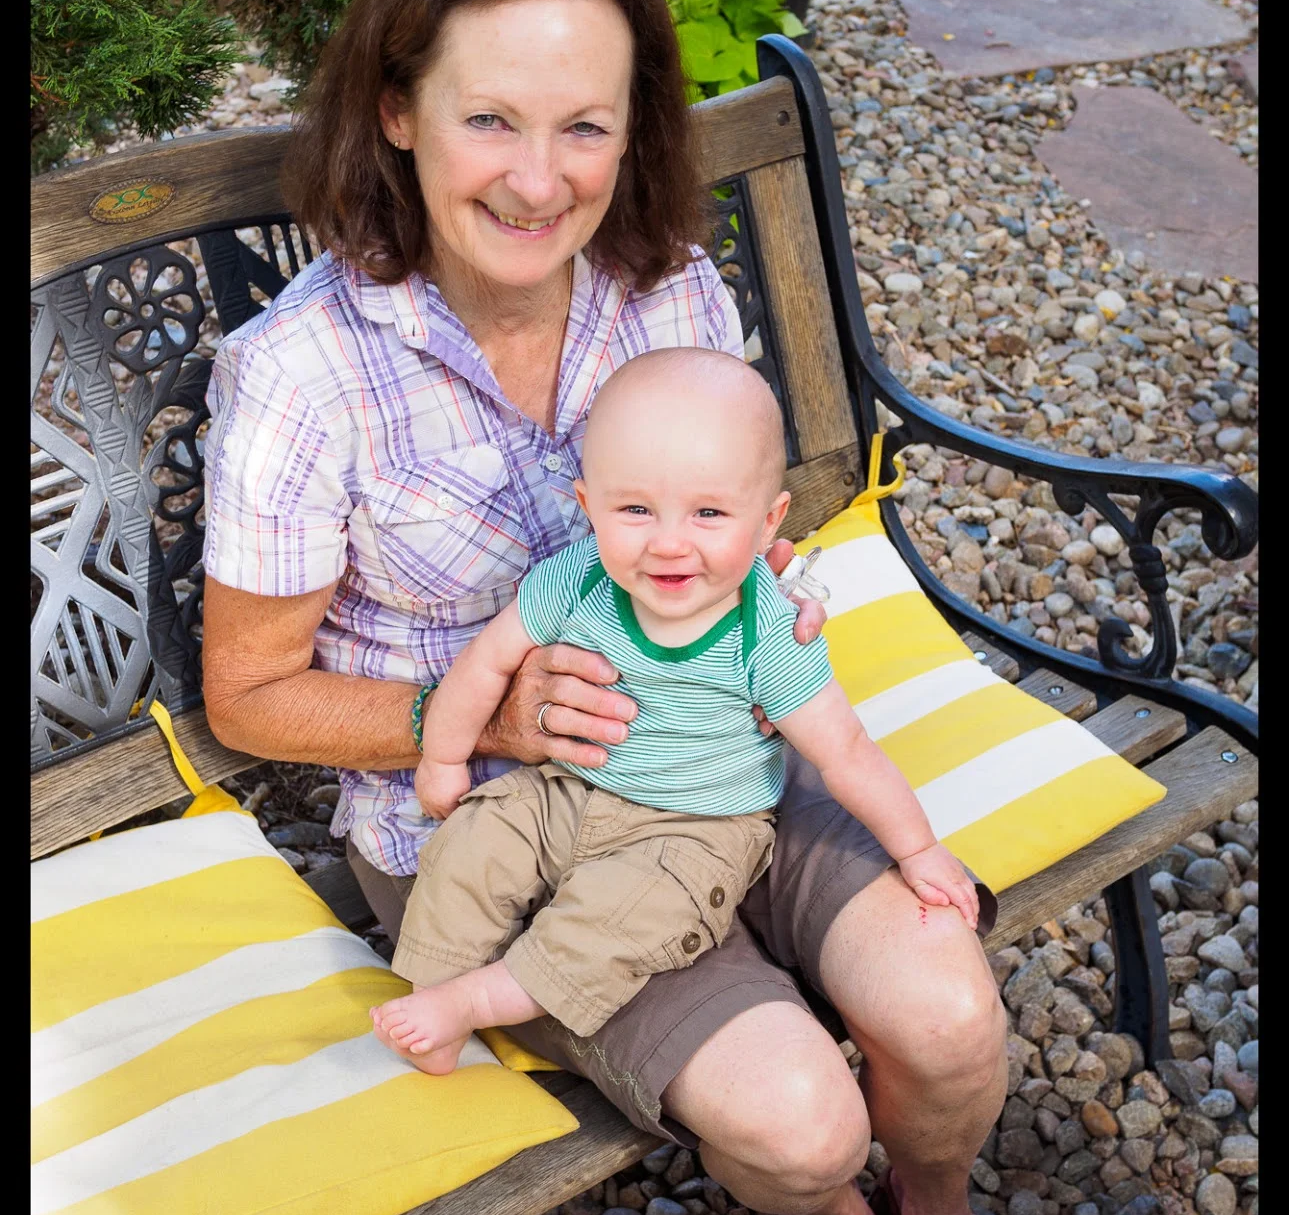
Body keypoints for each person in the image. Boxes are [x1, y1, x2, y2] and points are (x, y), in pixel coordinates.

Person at [202, 0, 1013, 1215]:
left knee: (947, 1022)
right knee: (804, 1125)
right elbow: (249, 696)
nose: (539, 182)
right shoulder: (303, 376)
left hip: (732, 765)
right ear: (397, 112)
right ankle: (823, 1211)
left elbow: (725, 504)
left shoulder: (663, 288)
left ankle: (934, 1208)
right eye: (490, 119)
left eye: (583, 125)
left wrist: (755, 568)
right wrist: (487, 718)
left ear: (632, 128)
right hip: (502, 831)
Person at [370, 347, 981, 1073]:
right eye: (634, 510)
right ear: (587, 506)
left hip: (695, 829)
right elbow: (487, 663)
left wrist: (917, 850)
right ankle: (433, 998)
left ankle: (476, 1001)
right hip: (567, 787)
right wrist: (443, 756)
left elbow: (844, 751)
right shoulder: (577, 579)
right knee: (474, 839)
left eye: (708, 513)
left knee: (621, 917)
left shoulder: (765, 632)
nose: (667, 543)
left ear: (768, 522)